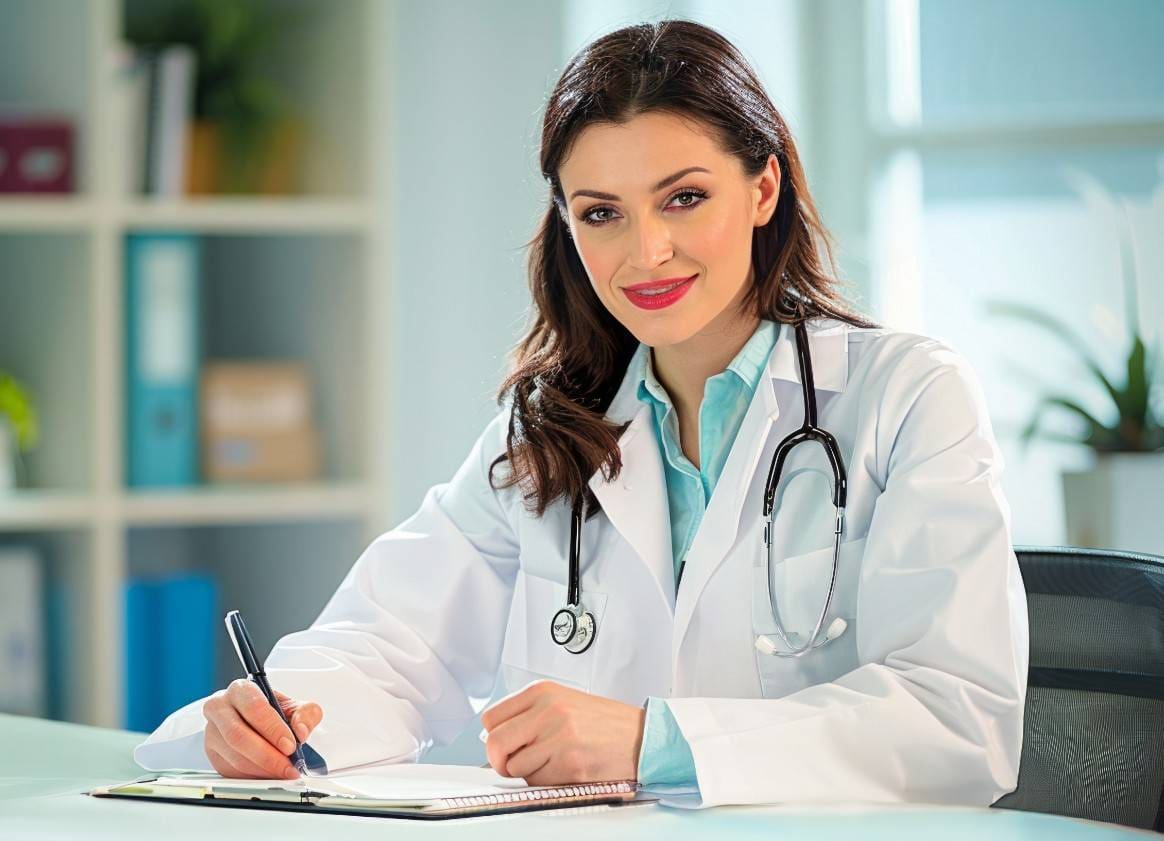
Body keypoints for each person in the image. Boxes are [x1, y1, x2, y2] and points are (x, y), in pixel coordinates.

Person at [135, 18, 1027, 808]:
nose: (647, 251)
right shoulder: (551, 430)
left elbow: (956, 719)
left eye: (684, 197)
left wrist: (652, 743)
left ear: (763, 189)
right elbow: (386, 644)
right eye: (602, 213)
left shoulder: (906, 396)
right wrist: (271, 720)